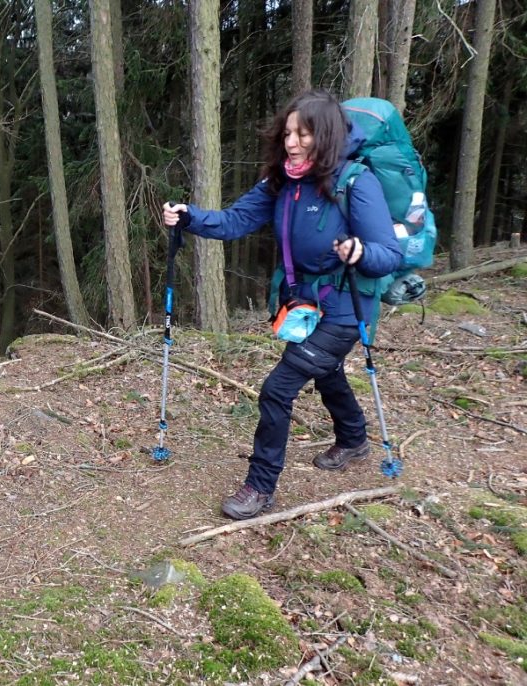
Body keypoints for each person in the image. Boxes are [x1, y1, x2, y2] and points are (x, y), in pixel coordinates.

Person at [163, 89, 402, 521]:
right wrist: (190, 216)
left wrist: (358, 251)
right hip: (303, 304)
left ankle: (260, 485)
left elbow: (389, 253)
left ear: (325, 135)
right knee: (326, 372)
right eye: (288, 133)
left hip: (347, 309)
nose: (291, 143)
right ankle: (354, 439)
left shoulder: (355, 182)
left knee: (278, 389)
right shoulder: (283, 180)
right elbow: (235, 220)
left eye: (303, 135)